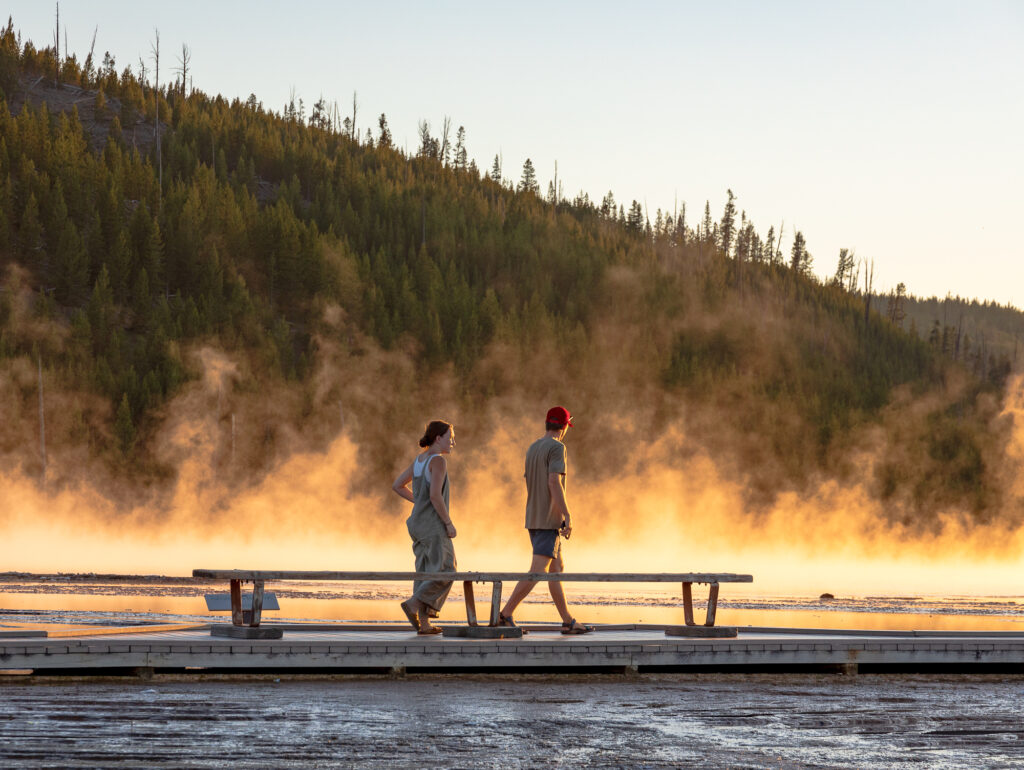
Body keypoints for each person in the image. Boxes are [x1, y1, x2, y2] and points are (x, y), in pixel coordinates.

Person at [499, 406, 593, 634]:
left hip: (533, 517)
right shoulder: (557, 447)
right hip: (547, 521)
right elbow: (554, 482)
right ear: (564, 427)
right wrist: (567, 515)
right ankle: (504, 615)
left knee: (556, 569)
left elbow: (532, 481)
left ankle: (568, 621)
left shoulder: (533, 447)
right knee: (537, 572)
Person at [391, 420, 457, 634]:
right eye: (450, 437)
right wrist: (448, 522)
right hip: (432, 525)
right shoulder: (437, 461)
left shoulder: (419, 460)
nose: (453, 442)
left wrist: (418, 502)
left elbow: (397, 485)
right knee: (447, 569)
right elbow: (435, 496)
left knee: (425, 571)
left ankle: (424, 624)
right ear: (438, 438)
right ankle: (414, 603)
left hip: (416, 524)